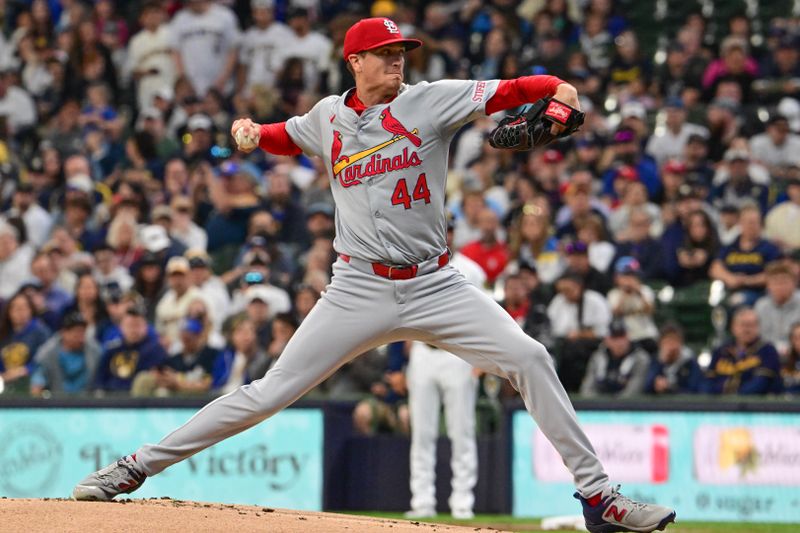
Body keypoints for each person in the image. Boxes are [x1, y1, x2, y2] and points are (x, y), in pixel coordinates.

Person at [72, 18, 675, 533]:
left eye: (402, 53)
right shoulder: (328, 116)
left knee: (531, 357)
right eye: (386, 54)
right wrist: (256, 135)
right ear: (355, 61)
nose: (398, 62)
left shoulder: (430, 100)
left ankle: (598, 498)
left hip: (436, 283)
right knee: (267, 393)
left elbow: (523, 87)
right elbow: (291, 135)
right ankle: (134, 467)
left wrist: (564, 91)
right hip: (357, 285)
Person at [404, 217, 482, 520]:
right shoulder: (415, 263)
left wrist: (479, 359)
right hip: (423, 353)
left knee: (462, 432)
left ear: (454, 233)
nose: (445, 233)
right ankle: (421, 501)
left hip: (457, 355)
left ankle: (462, 502)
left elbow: (480, 317)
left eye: (449, 229)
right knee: (421, 434)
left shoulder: (471, 269)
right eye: (441, 228)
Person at [699, 307, 782, 395]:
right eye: (743, 325)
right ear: (733, 327)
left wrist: (732, 398)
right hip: (719, 404)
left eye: (751, 325)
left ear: (758, 327)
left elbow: (760, 384)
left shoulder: (767, 350)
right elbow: (707, 382)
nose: (747, 329)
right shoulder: (721, 351)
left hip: (754, 405)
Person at [30, 311, 102, 396]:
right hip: (58, 403)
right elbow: (38, 378)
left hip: (87, 403)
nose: (80, 337)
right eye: (76, 332)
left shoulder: (95, 351)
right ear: (64, 333)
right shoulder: (47, 353)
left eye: (83, 332)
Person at [580, 320, 650, 398]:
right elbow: (587, 389)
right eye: (614, 337)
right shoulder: (597, 357)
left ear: (628, 337)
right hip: (599, 405)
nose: (619, 342)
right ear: (607, 340)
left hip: (626, 407)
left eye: (622, 337)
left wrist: (614, 403)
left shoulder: (640, 358)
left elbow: (634, 391)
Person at [753, 261, 800, 355]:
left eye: (784, 282)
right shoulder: (761, 306)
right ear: (768, 285)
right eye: (775, 282)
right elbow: (758, 337)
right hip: (767, 355)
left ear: (794, 283)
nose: (780, 286)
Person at [645, 323, 700, 395]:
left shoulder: (690, 362)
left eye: (675, 340)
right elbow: (646, 388)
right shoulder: (654, 361)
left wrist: (670, 389)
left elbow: (695, 391)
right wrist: (661, 362)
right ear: (660, 344)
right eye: (667, 341)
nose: (671, 346)